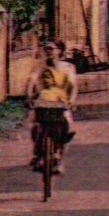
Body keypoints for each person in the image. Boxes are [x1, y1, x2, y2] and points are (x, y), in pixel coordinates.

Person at [26, 41, 78, 174]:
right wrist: (29, 96)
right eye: (46, 49)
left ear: (59, 51)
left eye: (51, 49)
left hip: (61, 102)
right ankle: (38, 154)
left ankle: (60, 161)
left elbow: (72, 86)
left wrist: (71, 101)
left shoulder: (68, 67)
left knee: (67, 129)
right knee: (35, 125)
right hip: (43, 100)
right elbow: (32, 81)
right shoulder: (40, 66)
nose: (48, 52)